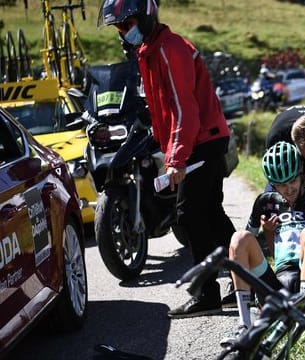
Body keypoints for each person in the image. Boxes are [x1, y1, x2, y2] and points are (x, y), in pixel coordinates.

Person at [98, 0, 236, 318]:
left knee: (188, 216)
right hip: (205, 138)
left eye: (126, 24)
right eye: (118, 28)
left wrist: (175, 159)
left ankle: (208, 294)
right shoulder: (151, 50)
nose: (122, 33)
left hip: (202, 140)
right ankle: (245, 280)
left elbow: (184, 109)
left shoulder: (168, 50)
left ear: (146, 18)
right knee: (210, 214)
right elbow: (165, 104)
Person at [220, 141, 305, 347]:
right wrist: (268, 232)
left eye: (292, 181)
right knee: (239, 237)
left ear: (301, 174)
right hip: (277, 284)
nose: (288, 189)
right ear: (272, 183)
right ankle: (244, 325)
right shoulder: (266, 202)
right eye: (281, 185)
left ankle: (303, 317)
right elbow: (243, 247)